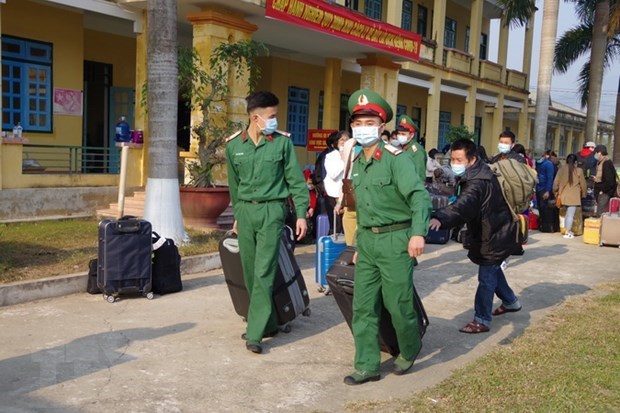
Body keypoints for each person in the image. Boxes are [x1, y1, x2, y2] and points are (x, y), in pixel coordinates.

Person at [343, 88, 431, 385]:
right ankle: (367, 365)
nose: (363, 128)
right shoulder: (357, 160)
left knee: (398, 304)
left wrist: (417, 233)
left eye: (370, 122)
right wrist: (358, 244)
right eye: (358, 122)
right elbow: (365, 208)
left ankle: (410, 346)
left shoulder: (397, 158)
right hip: (367, 242)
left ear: (382, 127)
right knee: (363, 306)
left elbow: (420, 197)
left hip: (396, 239)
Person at [225, 91, 308, 354]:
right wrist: (238, 215)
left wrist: (302, 213)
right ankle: (269, 322)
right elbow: (234, 186)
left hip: (273, 211)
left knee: (263, 271)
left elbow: (296, 181)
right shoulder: (234, 146)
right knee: (249, 272)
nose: (275, 121)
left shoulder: (281, 144)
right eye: (271, 116)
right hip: (247, 213)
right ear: (255, 117)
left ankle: (255, 333)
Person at [429, 138, 522, 334]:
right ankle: (511, 301)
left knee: (486, 277)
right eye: (452, 159)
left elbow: (464, 205)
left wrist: (441, 218)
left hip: (494, 232)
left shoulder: (479, 181)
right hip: (493, 229)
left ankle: (481, 319)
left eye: (458, 160)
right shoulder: (480, 172)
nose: (454, 163)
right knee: (493, 269)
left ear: (471, 159)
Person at [553, 154, 587, 239]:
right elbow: (583, 184)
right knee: (570, 215)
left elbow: (555, 183)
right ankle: (567, 232)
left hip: (563, 195)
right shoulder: (579, 170)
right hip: (574, 196)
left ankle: (565, 230)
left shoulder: (561, 169)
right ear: (575, 162)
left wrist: (556, 192)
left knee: (564, 214)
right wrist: (584, 194)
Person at [323, 130, 348, 233]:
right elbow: (333, 174)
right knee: (336, 226)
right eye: (342, 139)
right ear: (336, 142)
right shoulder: (331, 156)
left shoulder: (354, 154)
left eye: (347, 139)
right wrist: (343, 160)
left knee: (348, 225)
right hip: (333, 195)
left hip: (348, 194)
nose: (344, 142)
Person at [391, 114, 427, 184]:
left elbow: (419, 176)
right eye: (399, 133)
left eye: (403, 134)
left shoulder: (417, 151)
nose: (400, 136)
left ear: (412, 135)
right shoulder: (402, 147)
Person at [592, 144, 618, 216]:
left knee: (600, 213)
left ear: (599, 153)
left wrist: (602, 191)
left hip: (605, 192)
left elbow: (609, 180)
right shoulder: (601, 162)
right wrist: (596, 178)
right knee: (600, 211)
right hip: (602, 190)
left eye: (596, 153)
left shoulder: (606, 163)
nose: (595, 155)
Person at [536, 149, 557, 231]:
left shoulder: (548, 164)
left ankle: (547, 227)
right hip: (538, 188)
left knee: (546, 209)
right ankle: (542, 226)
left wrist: (548, 191)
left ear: (544, 155)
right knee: (541, 209)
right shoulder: (537, 163)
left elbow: (550, 178)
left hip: (544, 189)